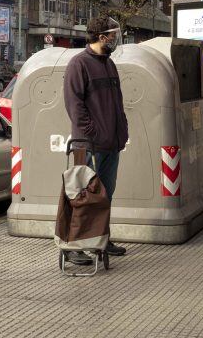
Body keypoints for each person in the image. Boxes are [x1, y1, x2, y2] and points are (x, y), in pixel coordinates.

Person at [63, 16, 129, 265]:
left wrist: (121, 129)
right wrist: (93, 133)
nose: (115, 39)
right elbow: (74, 106)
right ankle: (73, 247)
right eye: (113, 35)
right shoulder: (78, 64)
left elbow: (117, 102)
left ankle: (101, 238)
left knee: (105, 195)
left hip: (111, 143)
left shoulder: (109, 64)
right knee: (82, 195)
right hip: (89, 144)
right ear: (102, 37)